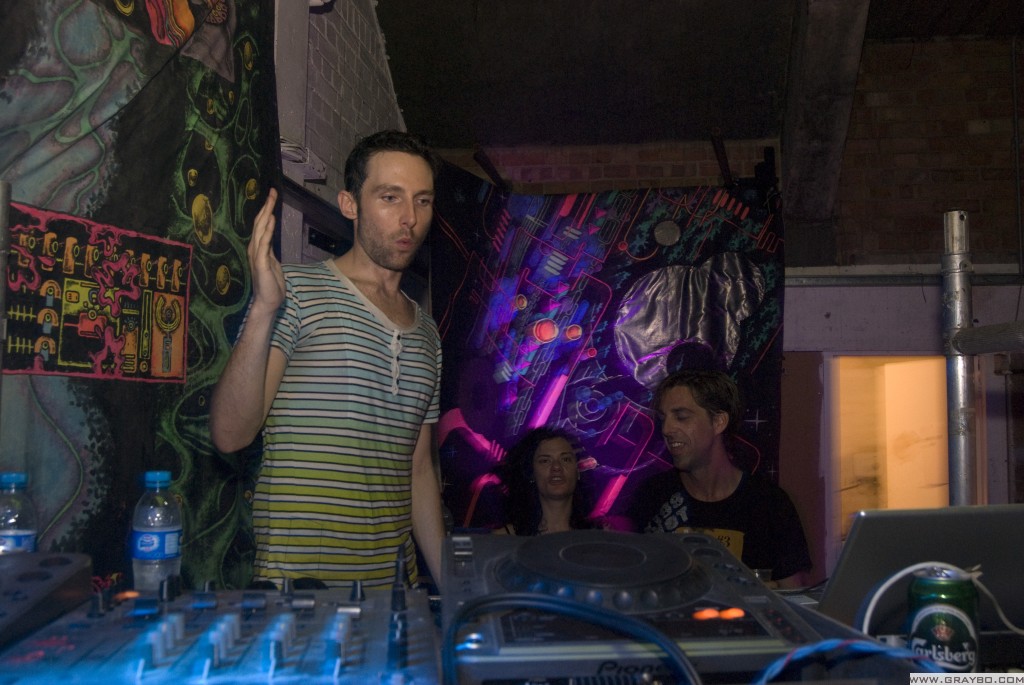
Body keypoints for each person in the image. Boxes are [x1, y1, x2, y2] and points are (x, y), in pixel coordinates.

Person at [209, 130, 446, 590]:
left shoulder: (428, 334)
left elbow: (419, 471)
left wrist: (452, 591)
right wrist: (264, 309)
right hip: (301, 594)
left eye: (422, 201)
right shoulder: (296, 293)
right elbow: (230, 434)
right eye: (390, 197)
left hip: (394, 595)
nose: (410, 218)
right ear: (349, 204)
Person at [627, 369, 811, 588]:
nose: (667, 429)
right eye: (663, 418)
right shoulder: (651, 496)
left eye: (681, 417)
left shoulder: (769, 503)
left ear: (719, 422)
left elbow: (795, 593)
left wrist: (767, 592)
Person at [496, 427, 596, 535]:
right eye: (545, 461)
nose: (556, 467)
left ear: (577, 471)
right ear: (531, 473)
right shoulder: (504, 538)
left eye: (566, 459)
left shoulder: (599, 538)